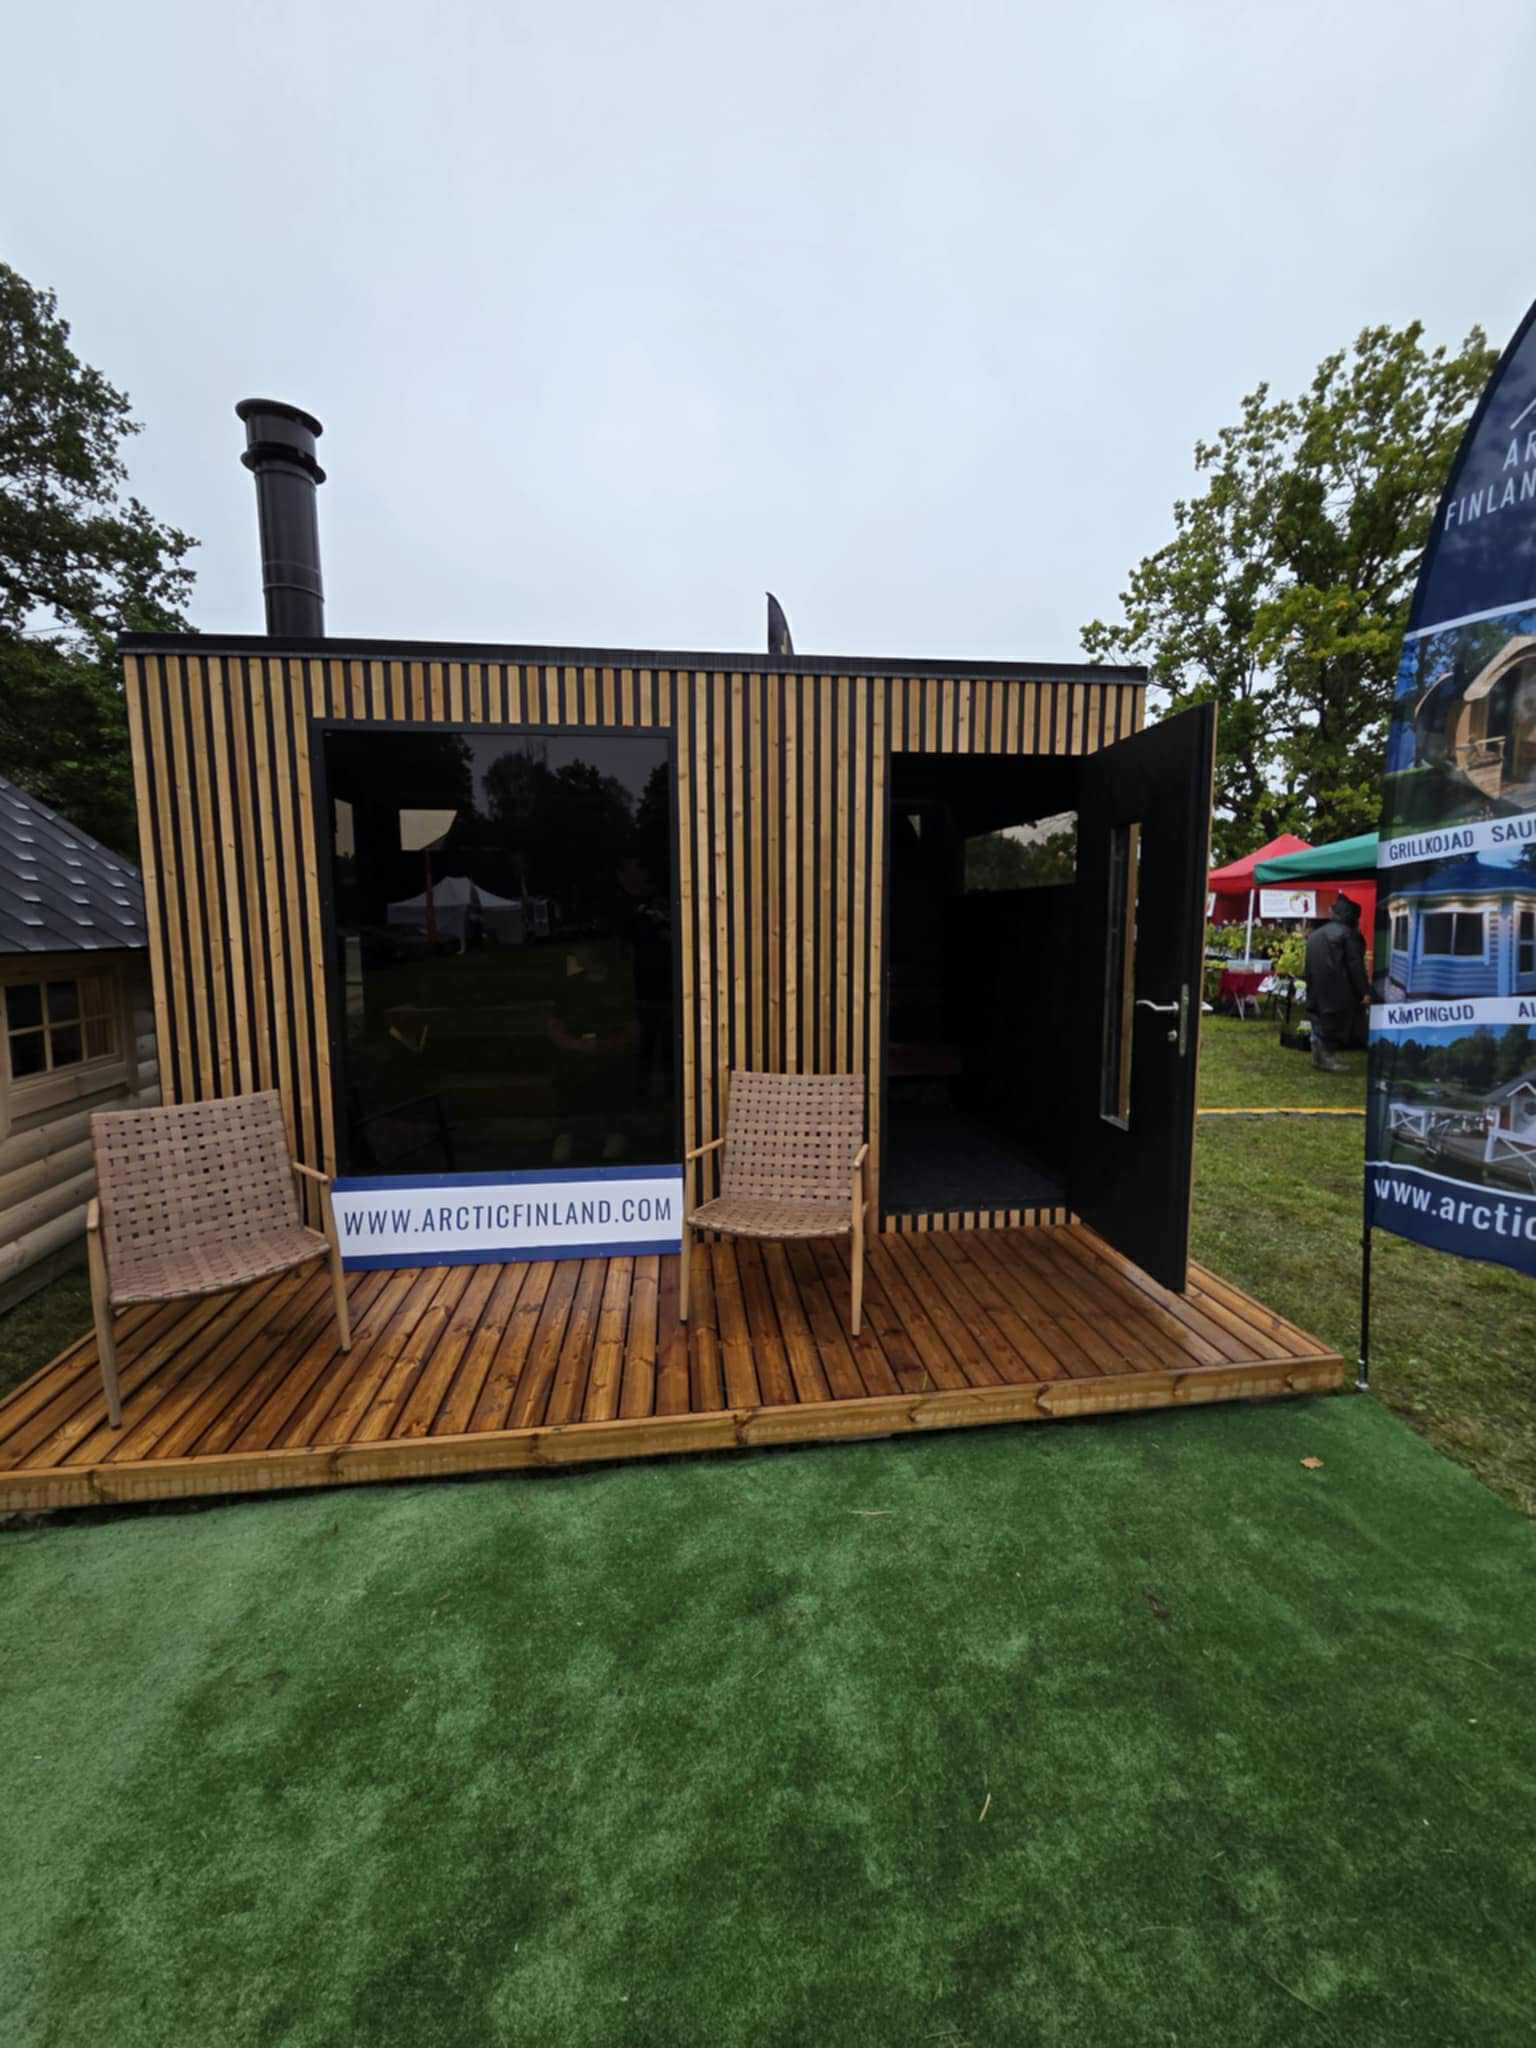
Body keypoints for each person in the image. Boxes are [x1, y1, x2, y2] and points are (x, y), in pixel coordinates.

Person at [1304, 897, 1368, 1072]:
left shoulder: (1315, 934)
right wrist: (1364, 991)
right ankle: (1327, 1059)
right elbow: (1355, 965)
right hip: (1339, 988)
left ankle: (1318, 1056)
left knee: (1319, 1020)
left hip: (1316, 985)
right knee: (1334, 1024)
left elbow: (1308, 964)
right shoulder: (1349, 934)